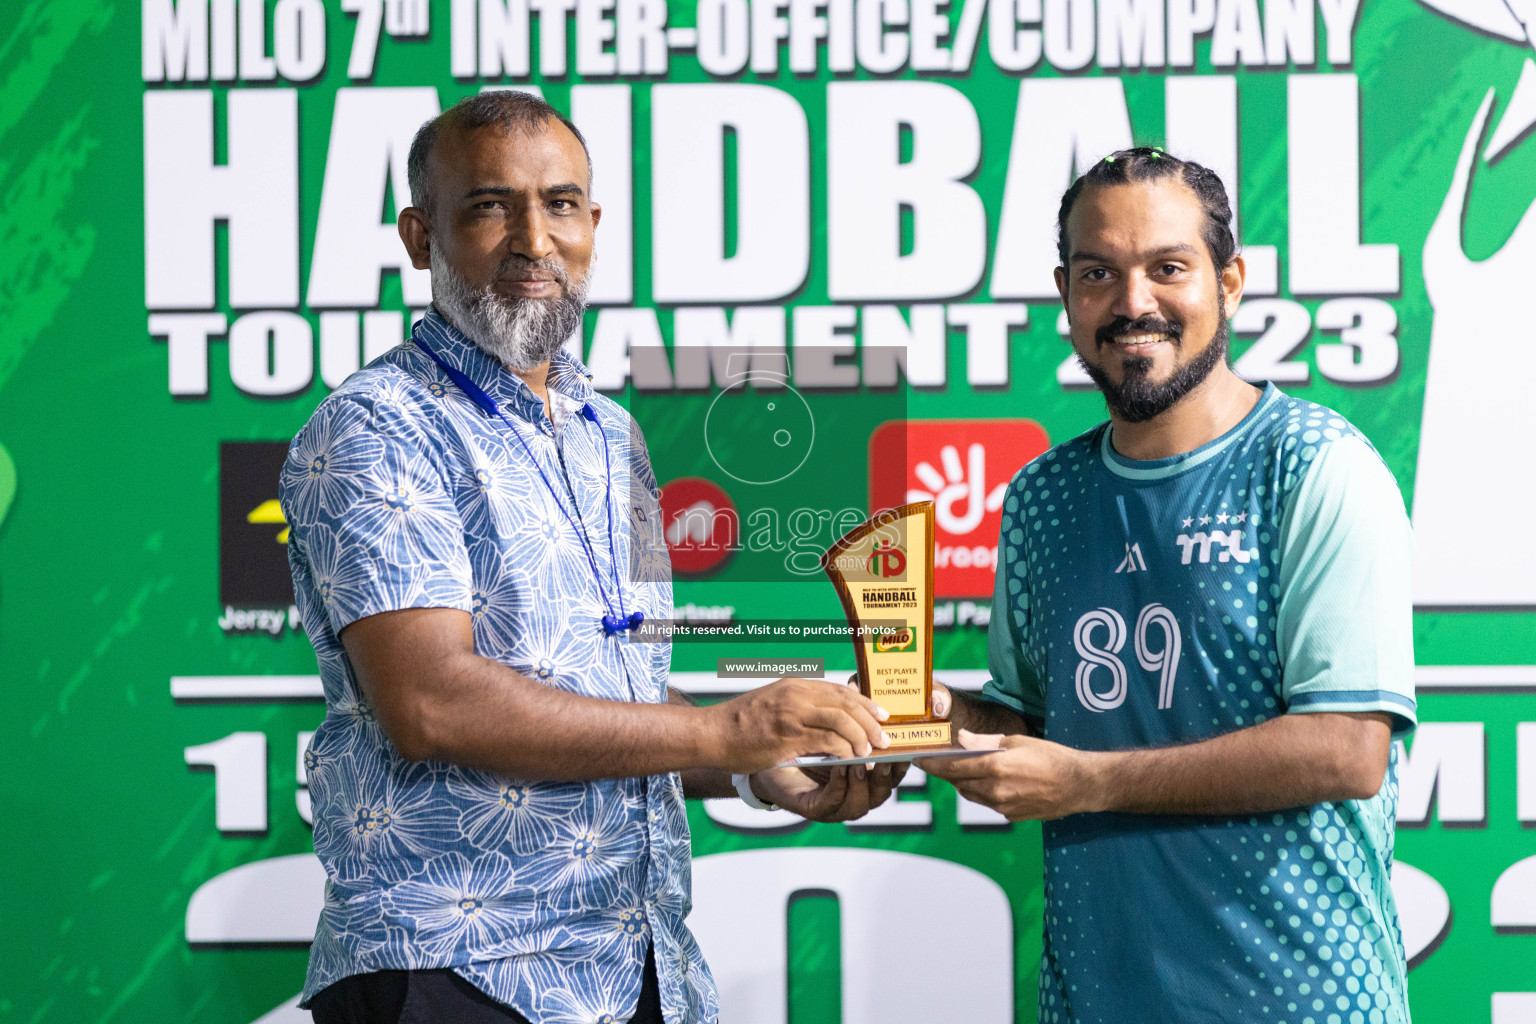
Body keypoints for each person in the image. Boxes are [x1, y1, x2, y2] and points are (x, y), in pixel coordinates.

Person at [280, 91, 902, 1024]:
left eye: (561, 203)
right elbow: (430, 702)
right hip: (459, 970)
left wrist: (756, 769)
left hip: (638, 965)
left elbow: (626, 701)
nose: (535, 237)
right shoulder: (374, 424)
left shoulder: (613, 435)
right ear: (419, 236)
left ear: (594, 226)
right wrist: (724, 732)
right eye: (490, 205)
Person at [919, 148, 1416, 1023]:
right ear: (1066, 295)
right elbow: (1029, 728)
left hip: (1301, 1004)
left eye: (1168, 268)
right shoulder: (1044, 496)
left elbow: (1348, 748)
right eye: (1099, 273)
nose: (1132, 302)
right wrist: (916, 713)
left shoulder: (1313, 465)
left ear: (1229, 282)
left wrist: (1089, 782)